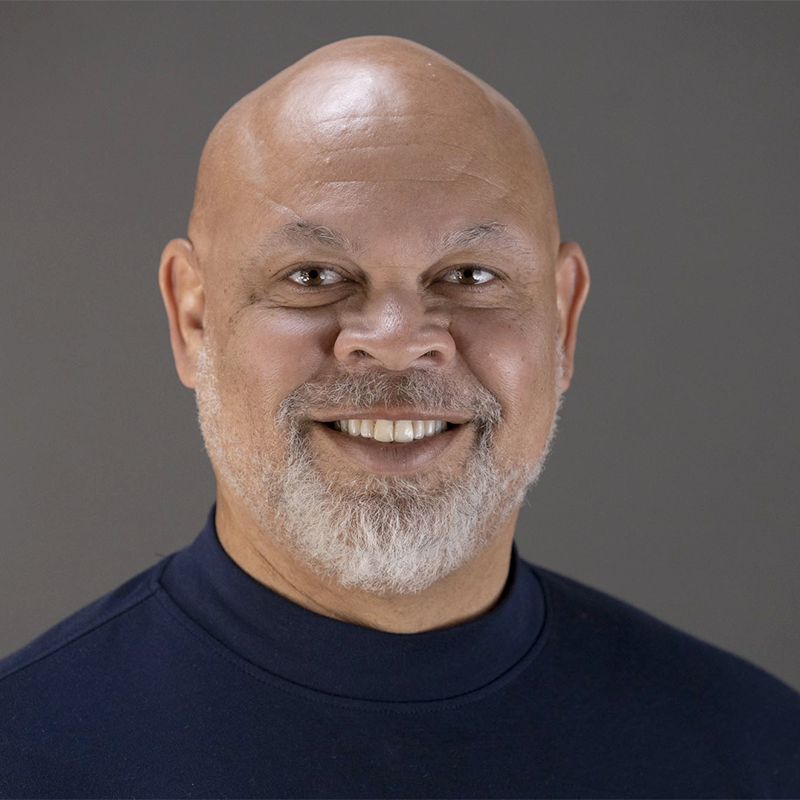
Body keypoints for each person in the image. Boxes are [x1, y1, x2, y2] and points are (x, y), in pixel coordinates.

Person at [1, 35, 798, 798]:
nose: (394, 341)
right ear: (193, 319)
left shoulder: (760, 755)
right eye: (313, 275)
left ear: (562, 323)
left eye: (470, 275)